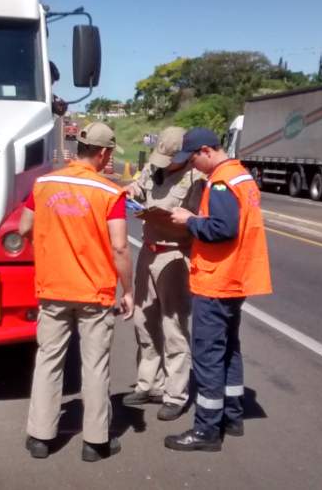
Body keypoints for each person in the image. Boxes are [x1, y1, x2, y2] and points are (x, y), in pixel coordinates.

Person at [19, 121, 134, 462]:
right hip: (94, 294)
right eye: (109, 153)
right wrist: (128, 290)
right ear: (102, 153)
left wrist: (48, 248)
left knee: (48, 361)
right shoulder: (110, 193)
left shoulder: (43, 184)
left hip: (53, 288)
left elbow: (25, 227)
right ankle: (95, 442)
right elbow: (119, 247)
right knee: (95, 365)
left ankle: (40, 437)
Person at [163, 127, 272, 452]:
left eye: (193, 158)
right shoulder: (243, 177)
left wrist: (189, 220)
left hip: (217, 279)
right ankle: (232, 416)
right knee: (229, 349)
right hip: (236, 277)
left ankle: (206, 430)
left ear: (207, 151)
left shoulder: (223, 182)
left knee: (208, 355)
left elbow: (222, 229)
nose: (192, 166)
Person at [121, 126, 205, 422]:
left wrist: (168, 216)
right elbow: (140, 185)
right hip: (148, 250)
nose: (163, 162)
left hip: (175, 254)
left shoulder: (197, 179)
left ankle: (175, 393)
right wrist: (133, 191)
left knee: (174, 327)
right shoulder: (155, 166)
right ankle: (149, 384)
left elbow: (197, 220)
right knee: (144, 322)